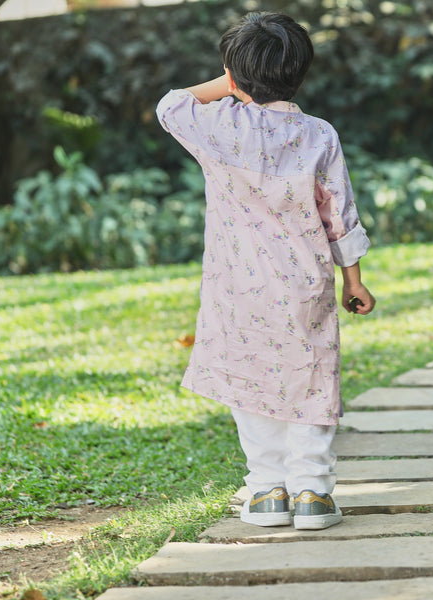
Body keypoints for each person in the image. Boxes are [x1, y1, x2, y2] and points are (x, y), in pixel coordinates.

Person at [155, 11, 375, 530]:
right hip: (306, 285)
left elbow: (171, 104)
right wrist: (355, 280)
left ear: (234, 76)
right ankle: (314, 494)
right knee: (312, 379)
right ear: (302, 71)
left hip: (237, 290)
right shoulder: (318, 135)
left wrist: (227, 84)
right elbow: (339, 216)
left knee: (250, 381)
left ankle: (267, 492)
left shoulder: (218, 127)